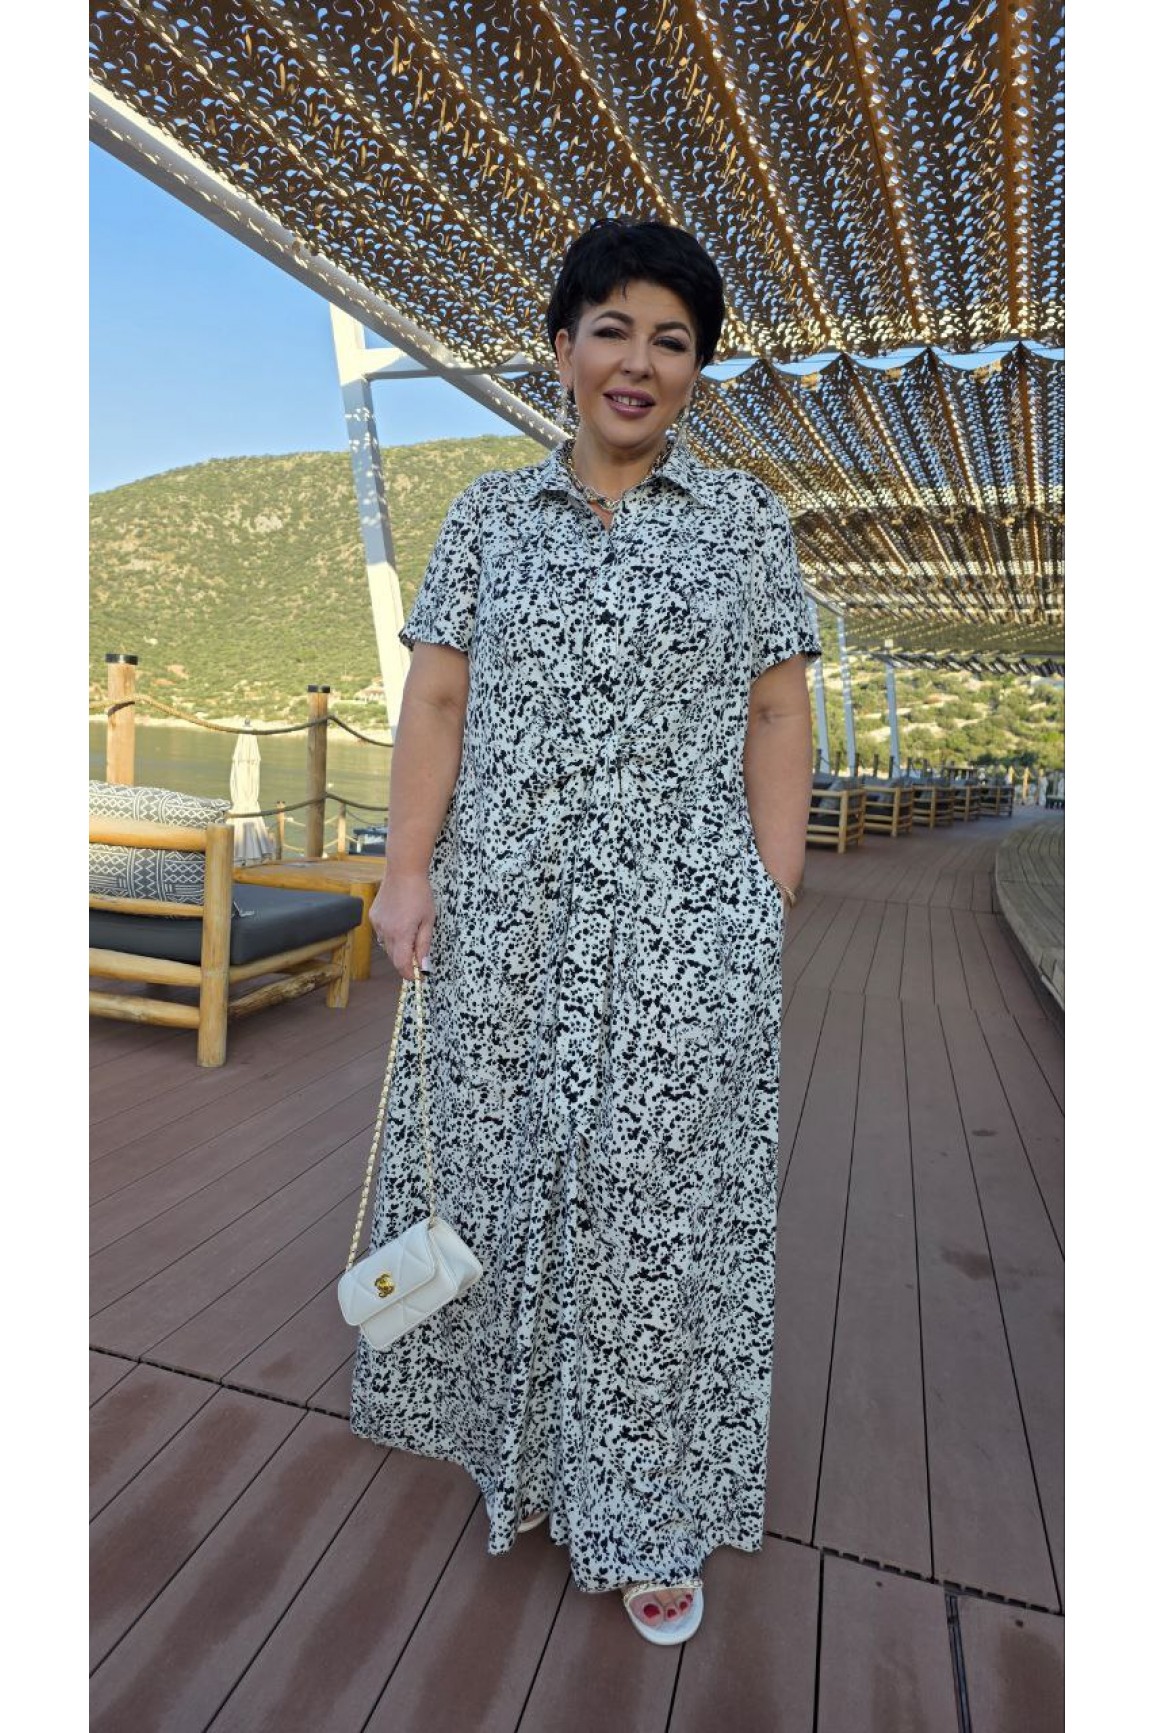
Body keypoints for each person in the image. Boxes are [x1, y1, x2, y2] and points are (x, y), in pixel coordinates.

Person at [356, 218, 819, 1646]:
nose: (638, 360)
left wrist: (768, 889)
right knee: (506, 1184)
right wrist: (407, 873)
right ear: (561, 349)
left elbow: (776, 708)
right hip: (506, 912)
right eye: (611, 328)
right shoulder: (488, 517)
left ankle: (648, 1507)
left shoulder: (744, 522)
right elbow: (439, 701)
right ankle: (526, 1460)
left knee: (657, 1210)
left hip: (685, 920)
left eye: (672, 340)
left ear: (696, 371)